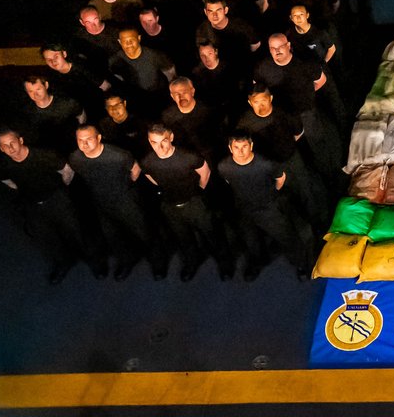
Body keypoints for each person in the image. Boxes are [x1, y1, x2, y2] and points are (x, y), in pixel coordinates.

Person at [0, 128, 93, 284]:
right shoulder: (2, 165)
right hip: (33, 204)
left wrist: (60, 190)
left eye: (12, 142)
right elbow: (7, 181)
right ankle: (63, 262)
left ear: (20, 140)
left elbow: (67, 171)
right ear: (1, 148)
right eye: (5, 146)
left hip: (56, 198)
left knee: (75, 229)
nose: (10, 148)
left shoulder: (44, 155)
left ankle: (93, 259)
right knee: (47, 237)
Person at [139, 124, 234, 281]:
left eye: (163, 141)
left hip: (194, 203)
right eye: (154, 142)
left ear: (171, 138)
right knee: (183, 238)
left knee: (213, 235)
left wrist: (196, 193)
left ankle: (225, 264)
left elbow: (205, 173)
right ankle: (192, 262)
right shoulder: (147, 162)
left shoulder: (190, 157)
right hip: (170, 206)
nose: (159, 146)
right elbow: (153, 180)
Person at [70, 125, 165, 280]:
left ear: (99, 138)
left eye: (88, 139)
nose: (84, 144)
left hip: (125, 200)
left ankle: (158, 263)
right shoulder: (76, 158)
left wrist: (125, 186)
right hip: (101, 202)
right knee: (112, 236)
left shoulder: (118, 155)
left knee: (144, 232)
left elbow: (135, 169)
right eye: (80, 140)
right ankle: (126, 260)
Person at [217, 133, 314, 281]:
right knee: (251, 240)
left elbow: (280, 178)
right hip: (244, 208)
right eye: (236, 147)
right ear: (230, 148)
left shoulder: (266, 164)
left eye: (244, 146)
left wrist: (271, 194)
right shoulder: (223, 166)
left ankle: (302, 264)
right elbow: (229, 182)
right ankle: (257, 262)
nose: (240, 151)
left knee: (286, 237)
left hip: (267, 208)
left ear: (251, 146)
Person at [253, 33, 345, 181]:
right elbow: (257, 88)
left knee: (316, 143)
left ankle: (330, 174)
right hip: (282, 116)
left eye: (281, 47)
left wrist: (307, 94)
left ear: (288, 46)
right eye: (273, 48)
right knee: (295, 150)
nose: (277, 51)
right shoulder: (263, 68)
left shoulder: (305, 63)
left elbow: (321, 80)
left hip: (305, 112)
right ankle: (310, 177)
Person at [236, 83, 329, 226]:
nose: (260, 106)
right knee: (282, 198)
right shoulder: (245, 123)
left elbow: (298, 133)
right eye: (256, 102)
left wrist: (287, 148)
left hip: (292, 159)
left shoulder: (284, 113)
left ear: (270, 98)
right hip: (268, 167)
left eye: (263, 100)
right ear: (250, 103)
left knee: (305, 190)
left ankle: (318, 223)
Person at [109, 27, 176, 118]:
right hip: (136, 101)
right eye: (125, 41)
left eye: (131, 39)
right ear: (120, 42)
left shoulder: (155, 55)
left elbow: (171, 75)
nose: (129, 44)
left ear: (139, 38)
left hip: (159, 97)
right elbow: (118, 81)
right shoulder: (115, 60)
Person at [162, 77, 227, 164]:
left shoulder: (209, 109)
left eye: (184, 92)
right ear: (172, 96)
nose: (181, 97)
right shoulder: (168, 116)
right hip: (189, 159)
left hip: (215, 154)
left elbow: (221, 132)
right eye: (177, 94)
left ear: (192, 91)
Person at [40, 43, 110, 120]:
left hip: (100, 108)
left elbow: (106, 86)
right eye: (49, 60)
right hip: (76, 113)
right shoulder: (51, 77)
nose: (53, 62)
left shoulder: (82, 66)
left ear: (64, 54)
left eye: (56, 56)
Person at [195, 0, 261, 75]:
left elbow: (256, 45)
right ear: (205, 12)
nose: (214, 15)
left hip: (242, 68)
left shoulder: (242, 26)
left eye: (218, 10)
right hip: (220, 71)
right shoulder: (202, 30)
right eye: (210, 11)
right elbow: (203, 51)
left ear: (225, 10)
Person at [22, 75, 85, 151]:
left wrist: (81, 130)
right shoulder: (27, 111)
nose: (35, 94)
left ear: (46, 85)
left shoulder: (66, 103)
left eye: (38, 89)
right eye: (31, 91)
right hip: (47, 151)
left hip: (71, 147)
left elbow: (81, 115)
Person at [98, 92, 150, 159]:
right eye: (110, 106)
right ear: (106, 108)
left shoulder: (140, 122)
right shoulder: (104, 125)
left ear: (124, 103)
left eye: (117, 105)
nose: (114, 109)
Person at [72, 6, 120, 78]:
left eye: (95, 20)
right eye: (88, 22)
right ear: (82, 22)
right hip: (99, 75)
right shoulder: (79, 37)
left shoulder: (115, 30)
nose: (93, 25)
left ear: (100, 16)